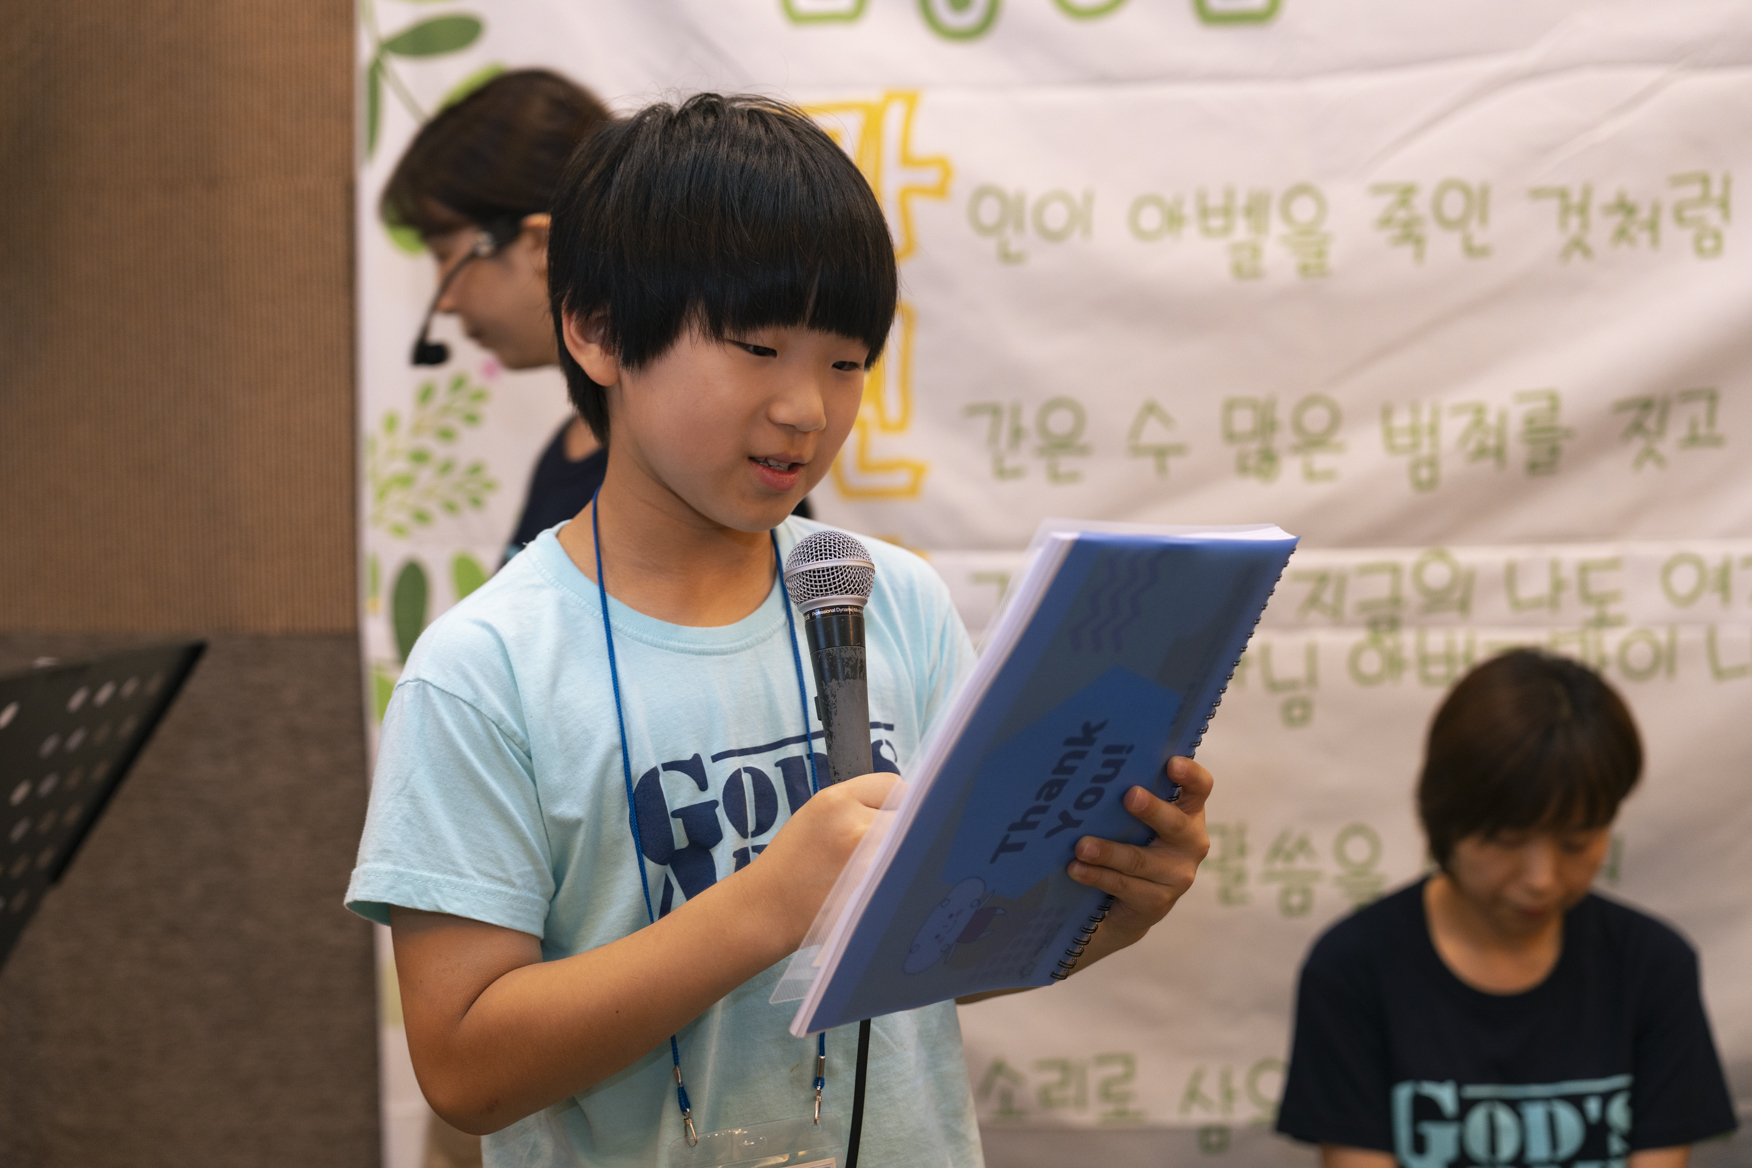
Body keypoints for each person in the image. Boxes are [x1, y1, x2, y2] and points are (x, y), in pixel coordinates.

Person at [346, 93, 1214, 1167]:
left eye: (845, 362)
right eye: (758, 348)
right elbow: (465, 1067)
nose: (807, 408)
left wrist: (1102, 909)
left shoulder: (890, 599)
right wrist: (771, 903)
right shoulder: (486, 669)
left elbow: (931, 961)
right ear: (599, 330)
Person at [1275, 649, 1737, 1168]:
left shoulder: (1653, 967)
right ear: (1444, 817)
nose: (1541, 880)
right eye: (1507, 840)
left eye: (1576, 843)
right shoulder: (1353, 970)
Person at [380, 68, 613, 562]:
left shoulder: (670, 466)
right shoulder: (569, 450)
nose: (445, 301)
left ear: (541, 245)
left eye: (446, 254)